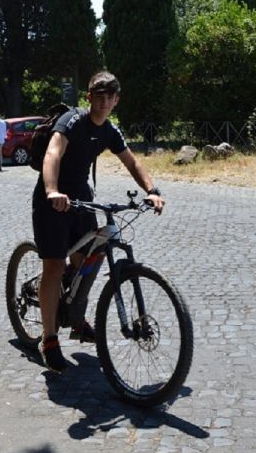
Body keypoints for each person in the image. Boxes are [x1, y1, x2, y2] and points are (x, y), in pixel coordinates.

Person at [34, 71, 165, 373]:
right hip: (52, 197)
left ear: (117, 100)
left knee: (85, 262)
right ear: (89, 97)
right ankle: (49, 338)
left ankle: (75, 318)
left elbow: (132, 162)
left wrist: (153, 191)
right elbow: (53, 153)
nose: (104, 101)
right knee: (54, 266)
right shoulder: (72, 121)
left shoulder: (110, 131)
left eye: (111, 96)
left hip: (81, 197)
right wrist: (52, 190)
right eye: (99, 95)